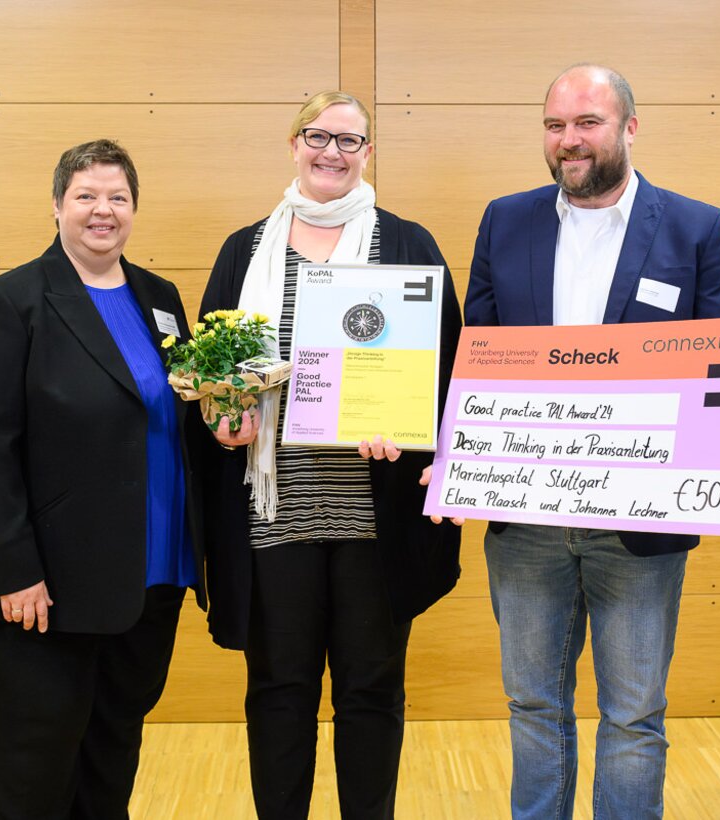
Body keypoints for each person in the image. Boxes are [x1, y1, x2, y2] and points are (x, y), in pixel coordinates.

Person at [463, 64, 720, 819]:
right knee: (531, 704)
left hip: (642, 528)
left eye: (586, 122)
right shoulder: (504, 220)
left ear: (628, 126)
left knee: (633, 716)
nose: (569, 140)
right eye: (555, 125)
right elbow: (477, 357)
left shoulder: (697, 228)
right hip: (526, 522)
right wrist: (464, 459)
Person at [198, 90, 462, 819]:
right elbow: (210, 377)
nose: (333, 153)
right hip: (272, 509)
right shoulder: (244, 250)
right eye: (319, 136)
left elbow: (448, 374)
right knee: (279, 690)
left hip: (374, 515)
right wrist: (225, 420)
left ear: (368, 154)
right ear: (294, 143)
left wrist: (406, 428)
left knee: (370, 692)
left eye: (351, 141)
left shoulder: (407, 244)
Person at [0, 139, 205, 819]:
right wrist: (12, 568)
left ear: (134, 209)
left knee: (113, 749)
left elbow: (174, 412)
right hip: (48, 584)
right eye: (87, 196)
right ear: (58, 204)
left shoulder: (161, 298)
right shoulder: (12, 301)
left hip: (152, 570)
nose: (103, 211)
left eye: (117, 197)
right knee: (39, 765)